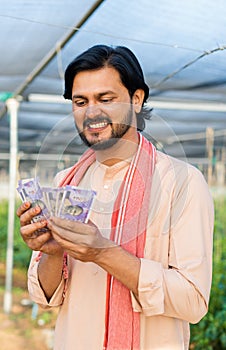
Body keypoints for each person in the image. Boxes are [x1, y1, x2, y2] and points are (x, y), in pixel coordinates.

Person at [17, 45, 214, 350]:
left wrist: (103, 253)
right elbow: (45, 297)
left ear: (136, 99)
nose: (92, 112)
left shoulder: (182, 182)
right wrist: (53, 252)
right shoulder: (65, 182)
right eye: (80, 101)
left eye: (105, 99)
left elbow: (193, 302)